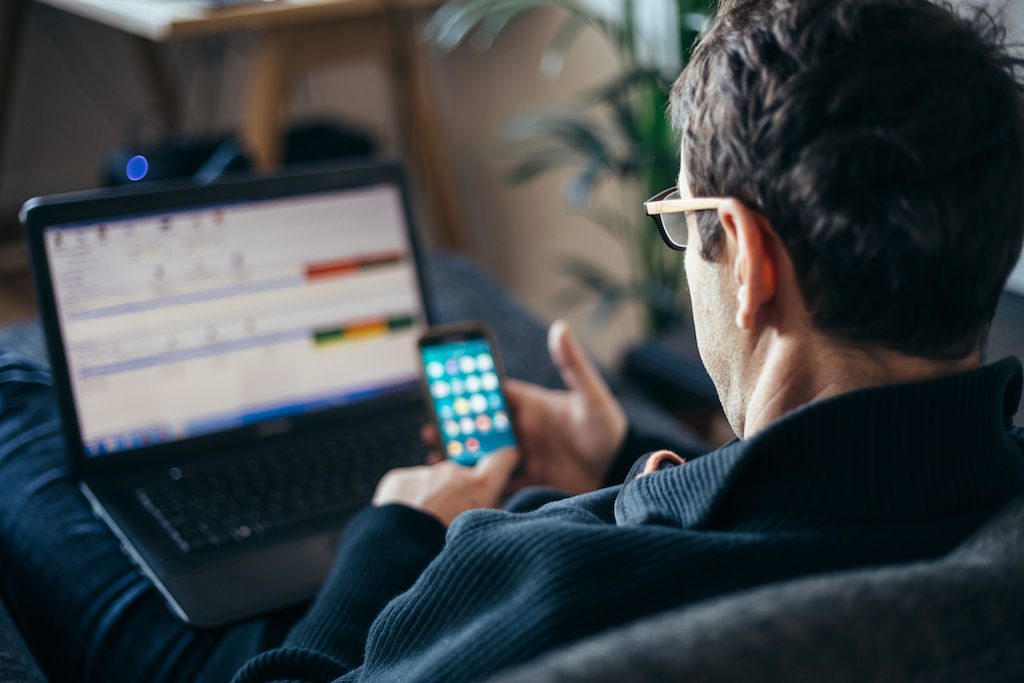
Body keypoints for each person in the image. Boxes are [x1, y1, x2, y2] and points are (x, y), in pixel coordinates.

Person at [2, 0, 1024, 680]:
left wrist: (392, 535)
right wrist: (621, 461)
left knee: (17, 397)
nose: (683, 247)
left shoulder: (540, 576)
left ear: (750, 260)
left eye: (681, 221)